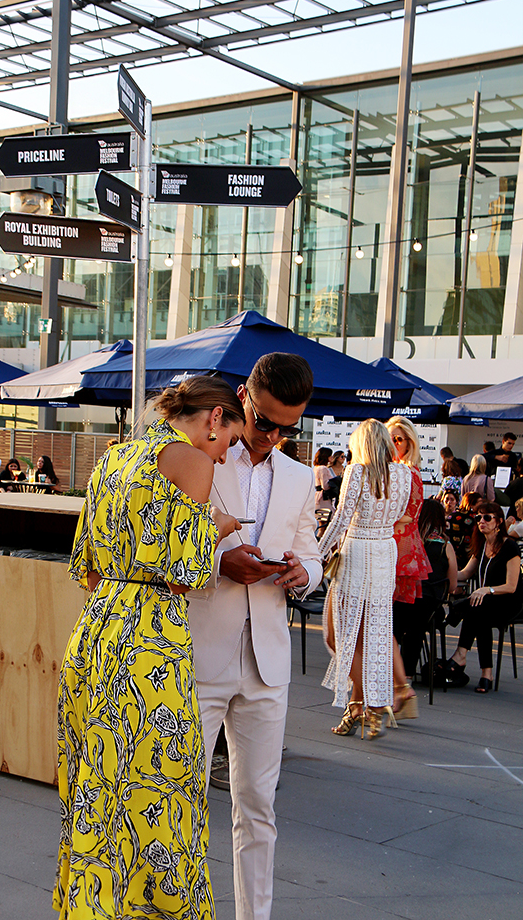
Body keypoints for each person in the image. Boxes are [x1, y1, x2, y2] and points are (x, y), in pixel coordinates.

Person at [53, 376, 246, 920]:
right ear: (214, 418)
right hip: (149, 641)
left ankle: (93, 905)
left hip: (96, 632)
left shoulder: (114, 458)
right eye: (228, 441)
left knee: (97, 785)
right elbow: (186, 575)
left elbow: (86, 568)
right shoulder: (190, 462)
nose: (225, 458)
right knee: (160, 791)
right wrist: (219, 528)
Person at [186, 352, 322, 920]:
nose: (272, 437)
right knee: (179, 799)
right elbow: (167, 539)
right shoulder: (198, 458)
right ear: (242, 396)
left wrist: (303, 574)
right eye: (264, 421)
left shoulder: (298, 475)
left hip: (268, 658)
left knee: (258, 806)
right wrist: (220, 562)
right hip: (198, 651)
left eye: (288, 428)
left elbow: (312, 550)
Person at [320, 419, 411, 738]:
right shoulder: (403, 474)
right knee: (376, 632)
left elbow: (341, 517)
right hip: (385, 551)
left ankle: (360, 705)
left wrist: (316, 554)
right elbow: (399, 514)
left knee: (342, 632)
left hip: (358, 550)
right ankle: (368, 707)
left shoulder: (358, 472)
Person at [445, 502, 523, 692]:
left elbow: (511, 587)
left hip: (509, 602)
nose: (482, 521)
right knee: (479, 610)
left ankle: (460, 655)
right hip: (485, 603)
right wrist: (446, 571)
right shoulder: (482, 545)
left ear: (499, 522)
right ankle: (484, 674)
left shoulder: (510, 547)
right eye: (478, 518)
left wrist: (487, 589)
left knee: (477, 605)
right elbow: (465, 573)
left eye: (487, 517)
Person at [386, 415, 431, 720]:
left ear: (410, 442)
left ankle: (399, 687)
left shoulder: (406, 472)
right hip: (397, 546)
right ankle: (396, 688)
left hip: (396, 549)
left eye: (399, 439)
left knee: (380, 620)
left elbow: (405, 515)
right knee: (382, 621)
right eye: (390, 438)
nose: (394, 443)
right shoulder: (399, 470)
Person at [393, 500, 458, 681]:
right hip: (430, 608)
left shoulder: (408, 543)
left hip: (403, 602)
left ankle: (387, 670)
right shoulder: (445, 546)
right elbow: (452, 586)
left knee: (397, 624)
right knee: (417, 627)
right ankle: (407, 676)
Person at [447, 492, 483, 572]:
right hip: (469, 553)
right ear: (472, 503)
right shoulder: (475, 518)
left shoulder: (452, 515)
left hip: (452, 552)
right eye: (480, 502)